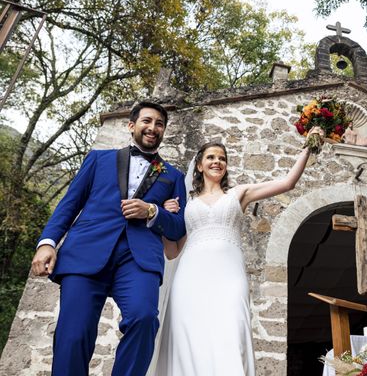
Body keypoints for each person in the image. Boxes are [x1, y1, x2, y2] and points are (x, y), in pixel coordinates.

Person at [31, 101, 187, 376]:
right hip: (86, 251)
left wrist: (152, 211)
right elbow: (70, 204)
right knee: (73, 334)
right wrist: (48, 243)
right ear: (132, 125)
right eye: (147, 121)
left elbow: (177, 229)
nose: (153, 128)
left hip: (138, 260)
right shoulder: (98, 159)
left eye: (159, 124)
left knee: (144, 318)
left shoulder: (173, 176)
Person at [152, 127, 325, 376]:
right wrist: (165, 219)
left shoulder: (239, 194)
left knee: (232, 330)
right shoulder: (187, 205)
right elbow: (172, 252)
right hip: (190, 277)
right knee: (188, 338)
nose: (217, 161)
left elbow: (288, 182)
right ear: (199, 166)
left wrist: (310, 144)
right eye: (211, 157)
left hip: (229, 276)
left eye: (222, 158)